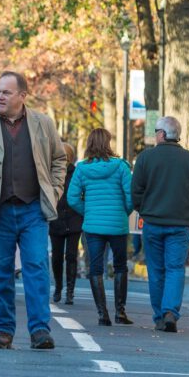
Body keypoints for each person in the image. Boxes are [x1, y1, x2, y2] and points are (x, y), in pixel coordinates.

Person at [0, 71, 68, 350]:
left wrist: (54, 192)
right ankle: (3, 330)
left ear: (22, 96)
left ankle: (40, 330)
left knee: (36, 268)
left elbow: (59, 160)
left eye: (6, 92)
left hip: (33, 209)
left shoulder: (43, 124)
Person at [131, 115, 189, 333]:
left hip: (153, 223)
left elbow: (135, 191)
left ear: (163, 134)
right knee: (175, 269)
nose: (155, 135)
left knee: (156, 270)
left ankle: (159, 316)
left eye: (156, 131)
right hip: (180, 224)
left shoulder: (145, 159)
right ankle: (170, 312)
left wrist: (142, 209)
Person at [67, 128, 133, 327]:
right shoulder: (121, 167)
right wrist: (124, 212)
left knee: (95, 267)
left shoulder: (81, 169)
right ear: (108, 142)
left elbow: (72, 198)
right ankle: (120, 312)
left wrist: (88, 212)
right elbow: (130, 196)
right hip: (117, 224)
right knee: (120, 266)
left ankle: (102, 313)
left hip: (93, 225)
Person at [49, 143, 82, 304]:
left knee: (71, 256)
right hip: (56, 219)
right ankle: (58, 287)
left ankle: (70, 290)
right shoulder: (52, 173)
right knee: (56, 256)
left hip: (74, 219)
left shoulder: (76, 174)